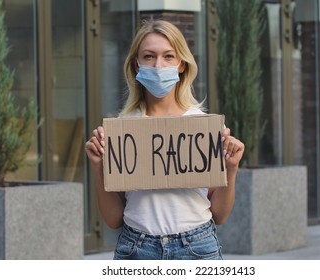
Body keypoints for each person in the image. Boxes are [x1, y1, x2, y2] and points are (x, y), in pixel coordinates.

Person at [85, 20, 244, 260]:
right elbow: (113, 219)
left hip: (196, 248)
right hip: (136, 248)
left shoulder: (205, 127)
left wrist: (231, 169)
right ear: (136, 65)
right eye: (149, 56)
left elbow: (219, 215)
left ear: (181, 64)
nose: (158, 65)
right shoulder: (122, 129)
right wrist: (98, 166)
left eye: (168, 56)